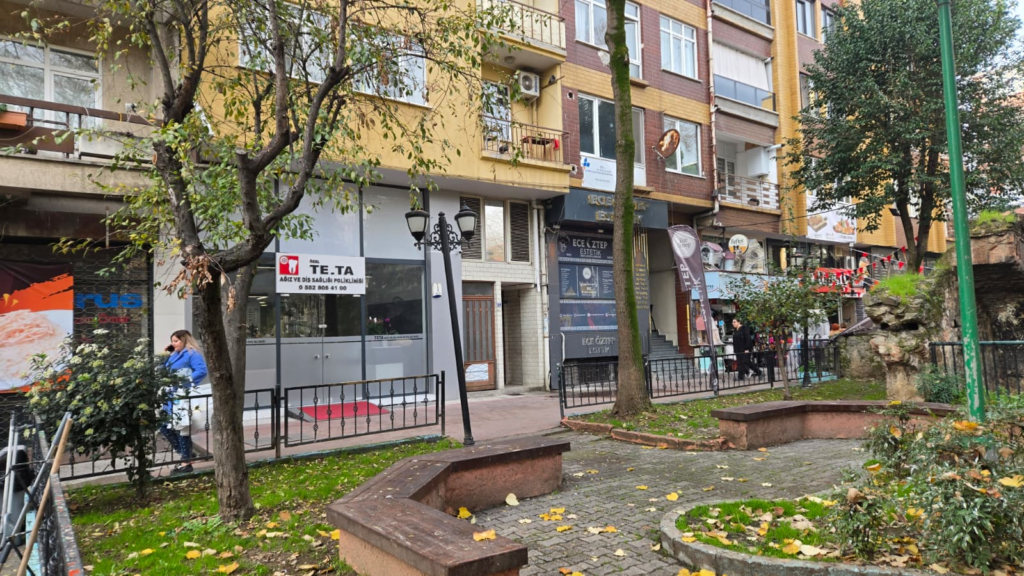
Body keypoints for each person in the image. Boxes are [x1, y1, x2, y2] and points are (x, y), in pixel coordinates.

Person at [162, 329, 208, 475]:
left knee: (182, 428)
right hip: (171, 395)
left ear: (184, 340)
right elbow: (164, 369)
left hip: (182, 395)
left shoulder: (192, 353)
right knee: (164, 426)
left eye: (176, 341)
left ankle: (186, 462)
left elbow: (201, 370)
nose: (173, 344)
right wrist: (166, 355)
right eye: (172, 341)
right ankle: (186, 454)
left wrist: (184, 382)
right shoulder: (174, 355)